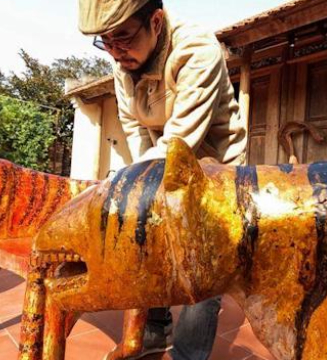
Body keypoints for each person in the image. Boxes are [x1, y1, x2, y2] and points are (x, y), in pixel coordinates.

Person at [77, 0, 247, 359]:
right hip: (161, 162)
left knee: (201, 269)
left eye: (122, 37)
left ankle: (188, 354)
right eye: (104, 42)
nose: (114, 51)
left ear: (156, 21)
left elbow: (181, 140)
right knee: (147, 245)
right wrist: (140, 183)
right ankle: (154, 332)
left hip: (212, 168)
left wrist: (129, 184)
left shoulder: (197, 49)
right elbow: (136, 128)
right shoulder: (122, 61)